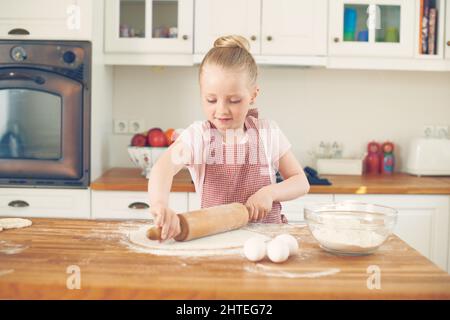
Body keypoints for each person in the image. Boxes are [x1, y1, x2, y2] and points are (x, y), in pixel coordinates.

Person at [148, 35, 310, 240]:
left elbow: (301, 182)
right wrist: (160, 205)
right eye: (211, 99)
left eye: (233, 100)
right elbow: (163, 168)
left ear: (253, 95)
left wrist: (270, 193)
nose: (221, 110)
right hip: (216, 242)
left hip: (267, 241)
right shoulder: (198, 137)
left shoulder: (268, 133)